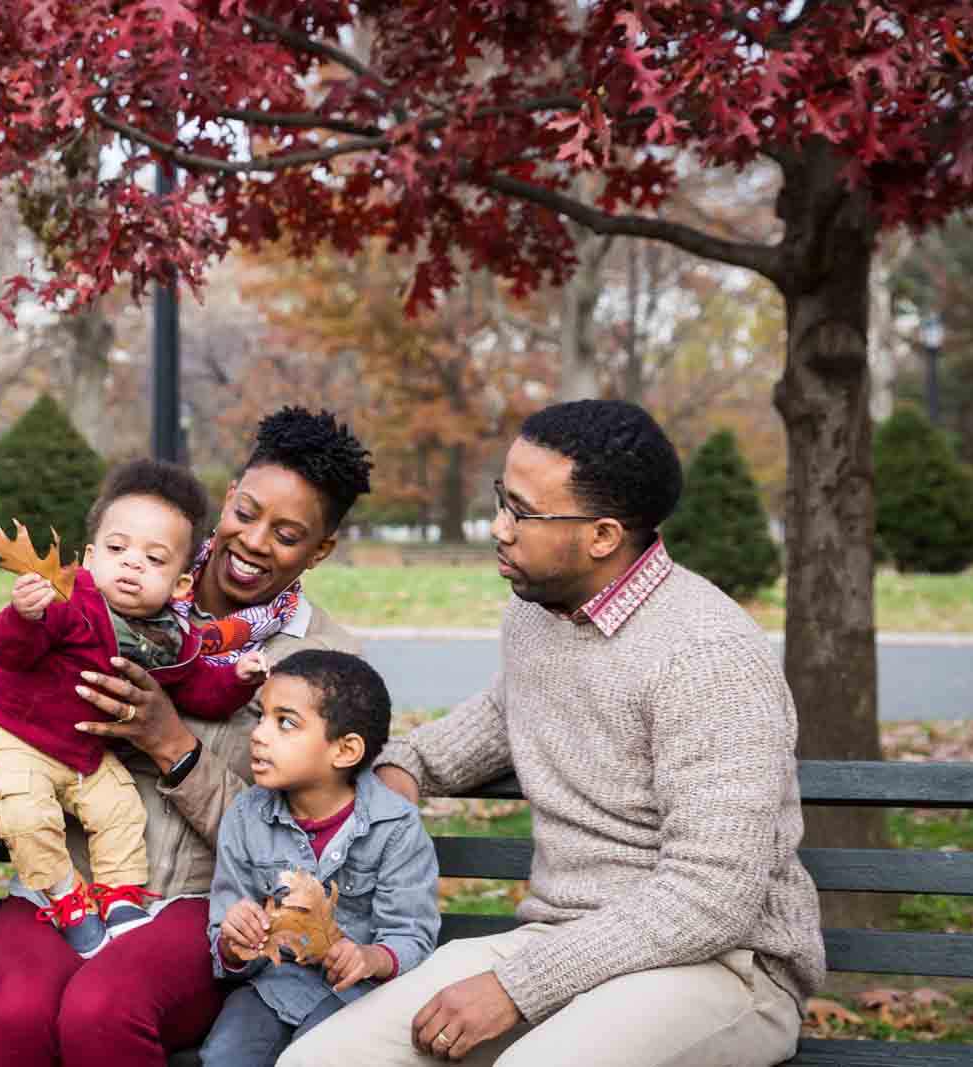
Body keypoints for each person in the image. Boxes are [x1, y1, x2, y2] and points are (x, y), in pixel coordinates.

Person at [280, 400, 826, 1067]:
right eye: (501, 500)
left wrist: (519, 987)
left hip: (722, 967)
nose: (500, 528)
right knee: (320, 1060)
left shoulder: (709, 656)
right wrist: (404, 767)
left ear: (602, 536)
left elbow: (713, 899)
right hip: (562, 944)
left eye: (523, 512)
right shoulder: (542, 616)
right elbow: (488, 727)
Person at [0, 406, 374, 1067]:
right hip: (67, 881)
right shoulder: (104, 588)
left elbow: (301, 844)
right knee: (13, 1020)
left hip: (198, 905)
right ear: (231, 492)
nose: (254, 541)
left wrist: (171, 743)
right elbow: (12, 700)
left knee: (102, 1012)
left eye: (289, 534)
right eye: (247, 511)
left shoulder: (327, 663)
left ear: (321, 549)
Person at [0, 459, 267, 958]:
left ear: (181, 585)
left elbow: (200, 690)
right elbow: (5, 651)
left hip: (80, 754)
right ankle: (64, 897)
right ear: (89, 556)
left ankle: (121, 898)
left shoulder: (171, 639)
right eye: (118, 549)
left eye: (154, 559)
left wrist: (237, 678)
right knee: (25, 810)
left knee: (121, 808)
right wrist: (23, 616)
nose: (131, 564)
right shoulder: (70, 601)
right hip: (10, 732)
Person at [203, 649, 440, 1067]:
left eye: (285, 723)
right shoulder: (246, 816)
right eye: (261, 716)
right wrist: (233, 941)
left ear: (345, 751)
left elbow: (412, 934)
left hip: (360, 993)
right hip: (273, 985)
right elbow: (226, 930)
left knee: (320, 1056)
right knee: (224, 1056)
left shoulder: (395, 826)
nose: (259, 734)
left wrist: (372, 957)